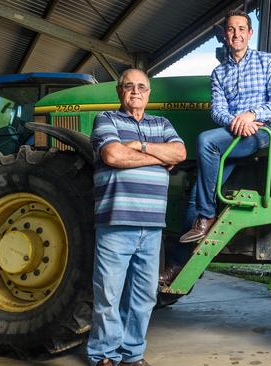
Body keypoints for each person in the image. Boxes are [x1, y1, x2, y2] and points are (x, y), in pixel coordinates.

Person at [87, 68, 186, 366]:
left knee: (144, 297)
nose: (135, 92)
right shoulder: (107, 119)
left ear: (149, 93)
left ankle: (132, 355)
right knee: (108, 295)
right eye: (129, 86)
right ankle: (104, 355)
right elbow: (113, 156)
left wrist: (140, 147)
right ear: (119, 91)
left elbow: (179, 153)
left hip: (152, 225)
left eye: (141, 87)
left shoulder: (162, 122)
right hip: (116, 222)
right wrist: (159, 158)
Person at [178, 9, 271, 244]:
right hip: (234, 135)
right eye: (230, 29)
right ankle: (177, 264)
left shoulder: (267, 61)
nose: (236, 34)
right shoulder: (218, 73)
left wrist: (252, 115)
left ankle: (207, 216)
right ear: (225, 35)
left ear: (249, 33)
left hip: (260, 133)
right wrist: (238, 122)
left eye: (241, 29)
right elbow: (218, 111)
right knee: (197, 193)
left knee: (206, 141)